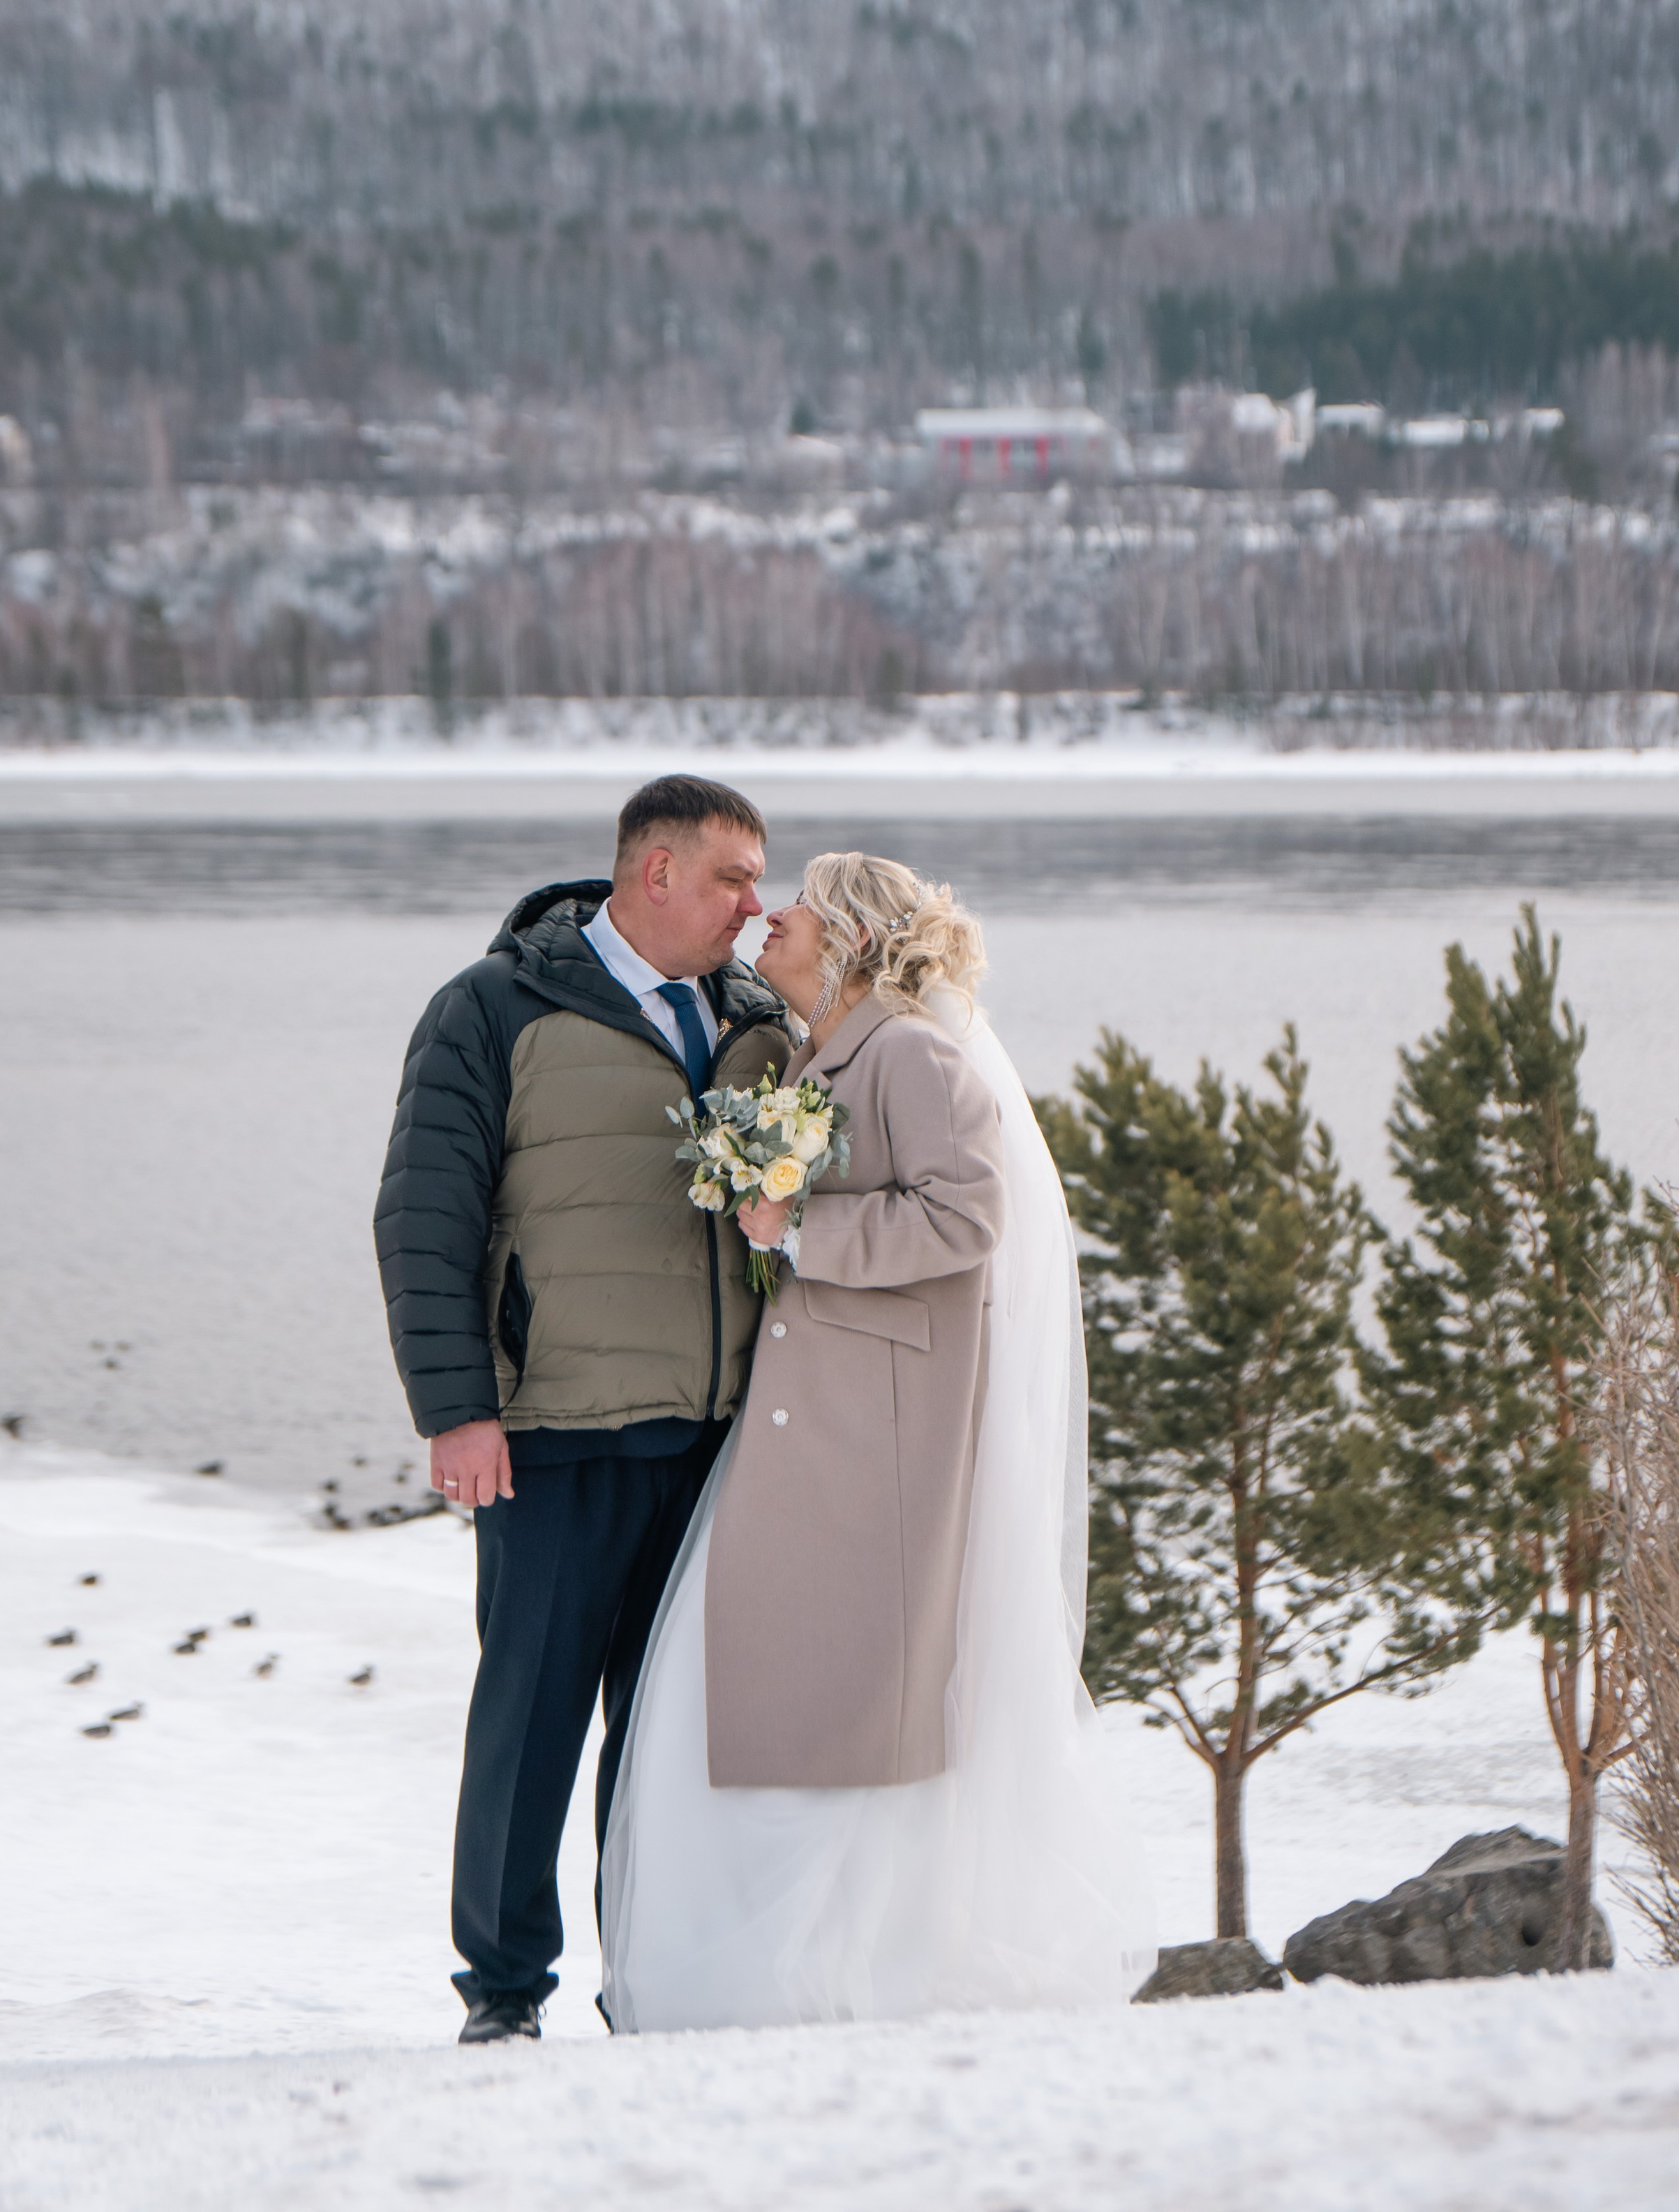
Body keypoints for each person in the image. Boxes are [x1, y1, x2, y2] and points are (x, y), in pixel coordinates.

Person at [599, 851, 1151, 2029]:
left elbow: (966, 1216)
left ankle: (812, 1976)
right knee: (741, 1692)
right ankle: (749, 1970)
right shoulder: (829, 1051)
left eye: (796, 905)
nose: (773, 919)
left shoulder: (910, 1051)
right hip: (819, 1420)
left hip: (875, 1438)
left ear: (848, 939)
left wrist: (797, 1226)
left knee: (832, 1713)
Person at [373, 774, 793, 2044]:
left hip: (717, 1442)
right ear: (653, 872)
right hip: (555, 1436)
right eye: (732, 878)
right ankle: (504, 1990)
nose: (753, 906)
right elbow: (423, 1221)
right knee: (532, 1719)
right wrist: (458, 1408)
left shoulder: (761, 1022)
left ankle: (648, 1979)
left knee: (664, 1744)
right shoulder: (495, 1008)